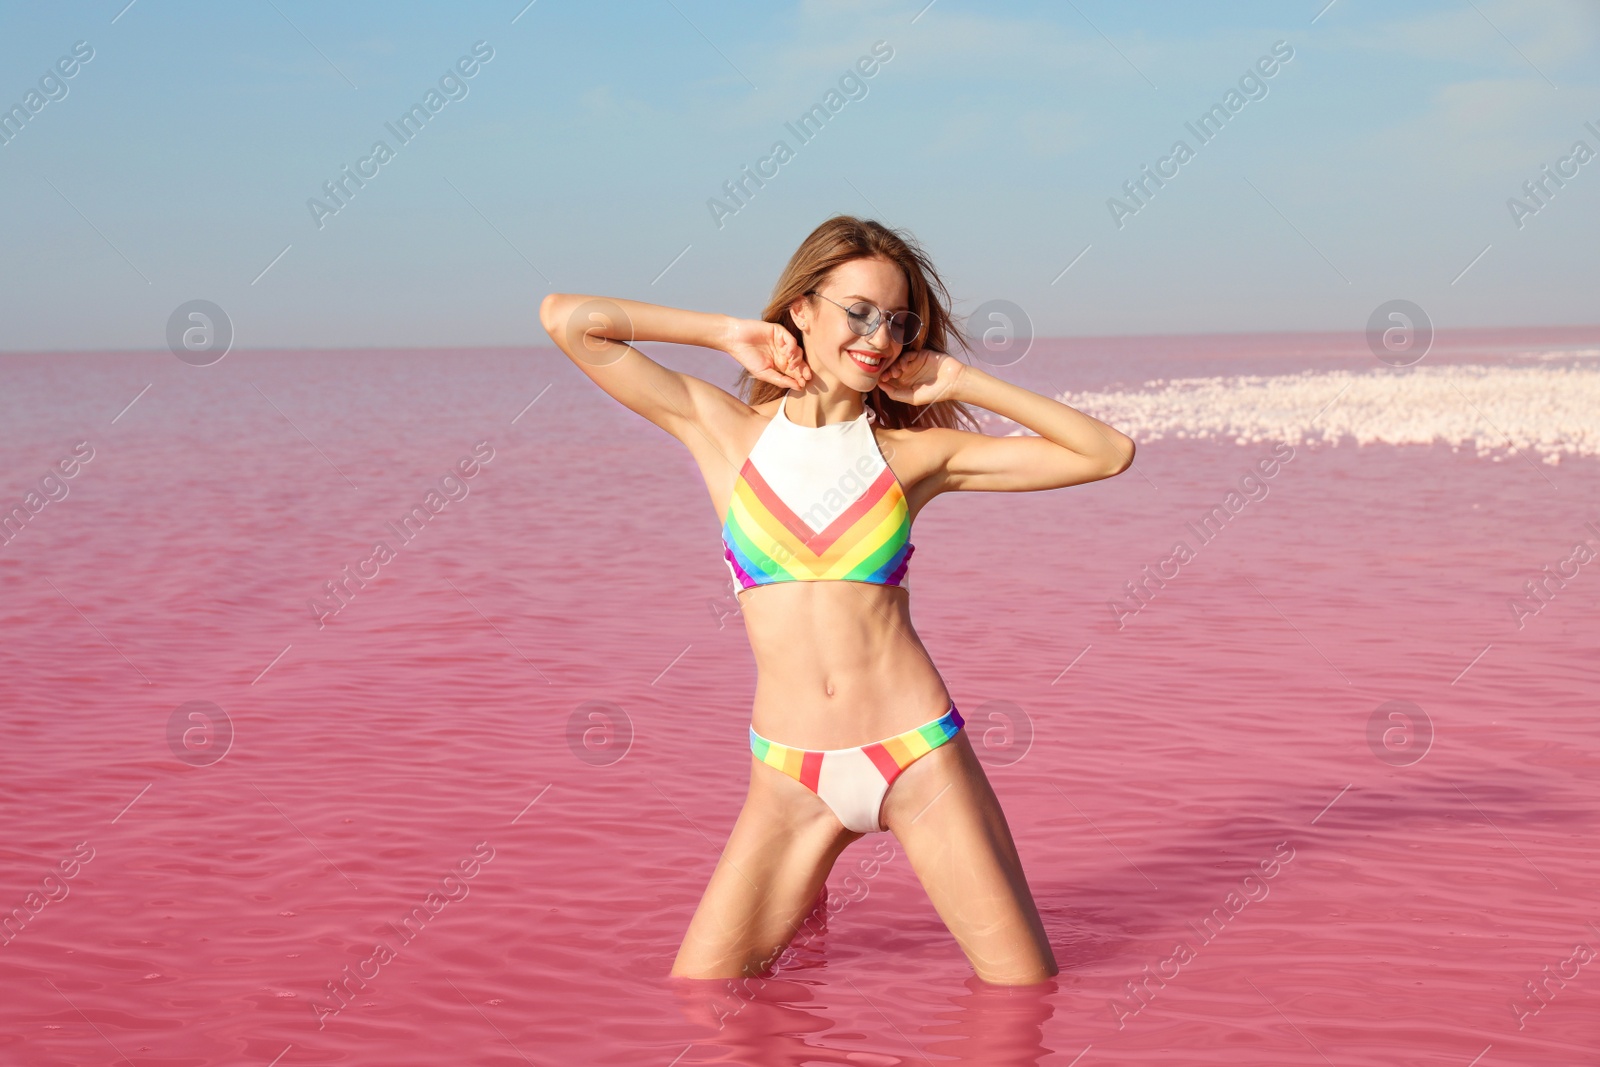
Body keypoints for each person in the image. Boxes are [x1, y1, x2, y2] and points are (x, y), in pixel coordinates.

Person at [539, 216, 1134, 985]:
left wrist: (960, 382)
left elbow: (1106, 453)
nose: (879, 336)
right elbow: (568, 320)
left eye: (898, 320)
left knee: (1023, 1002)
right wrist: (727, 333)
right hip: (789, 777)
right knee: (703, 1002)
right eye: (858, 311)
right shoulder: (725, 432)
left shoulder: (913, 454)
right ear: (804, 309)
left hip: (919, 755)